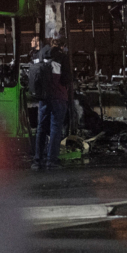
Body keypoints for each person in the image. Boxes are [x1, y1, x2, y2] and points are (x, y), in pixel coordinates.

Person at [32, 37, 72, 170]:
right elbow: (67, 79)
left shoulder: (39, 54)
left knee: (41, 127)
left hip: (43, 97)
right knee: (55, 128)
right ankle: (51, 160)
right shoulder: (62, 57)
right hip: (58, 97)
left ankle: (37, 160)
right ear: (62, 45)